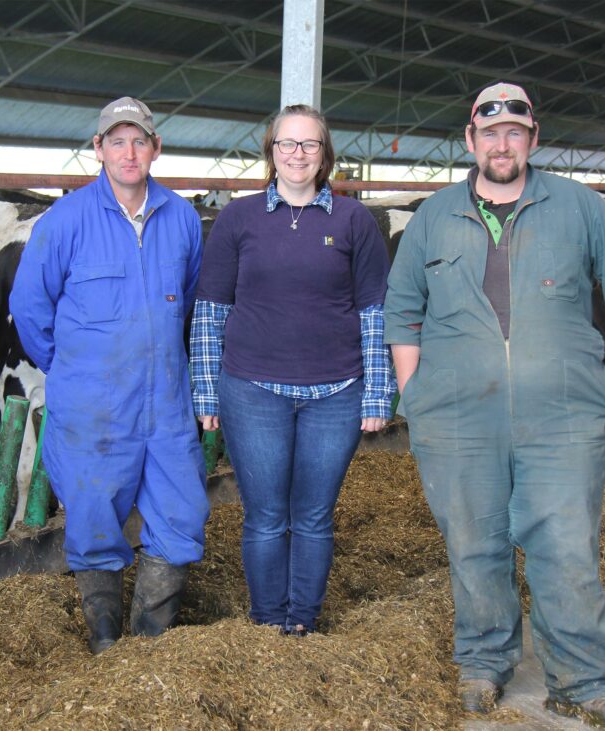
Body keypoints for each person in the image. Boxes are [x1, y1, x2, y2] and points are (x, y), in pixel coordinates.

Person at [384, 82, 605, 731]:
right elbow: (402, 311)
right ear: (470, 141)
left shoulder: (577, 206)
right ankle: (484, 661)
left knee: (567, 544)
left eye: (515, 131)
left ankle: (581, 681)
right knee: (474, 539)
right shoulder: (434, 216)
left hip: (564, 414)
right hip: (457, 415)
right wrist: (415, 391)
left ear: (533, 139)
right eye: (491, 132)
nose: (502, 142)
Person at [10, 97, 208, 654]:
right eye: (116, 141)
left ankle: (148, 641)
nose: (129, 152)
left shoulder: (183, 218)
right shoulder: (65, 220)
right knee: (95, 516)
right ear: (97, 149)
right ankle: (103, 641)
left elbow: (186, 301)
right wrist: (70, 369)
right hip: (94, 407)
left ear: (156, 148)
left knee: (182, 514)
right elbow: (28, 308)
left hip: (166, 403)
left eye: (139, 140)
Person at [190, 104, 394, 636]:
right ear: (271, 151)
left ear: (325, 155)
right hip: (253, 388)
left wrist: (377, 396)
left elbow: (375, 313)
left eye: (309, 145)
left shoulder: (356, 221)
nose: (297, 154)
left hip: (337, 391)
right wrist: (207, 394)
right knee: (264, 516)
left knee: (313, 516)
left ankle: (302, 621)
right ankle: (265, 621)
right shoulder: (238, 218)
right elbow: (211, 311)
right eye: (287, 144)